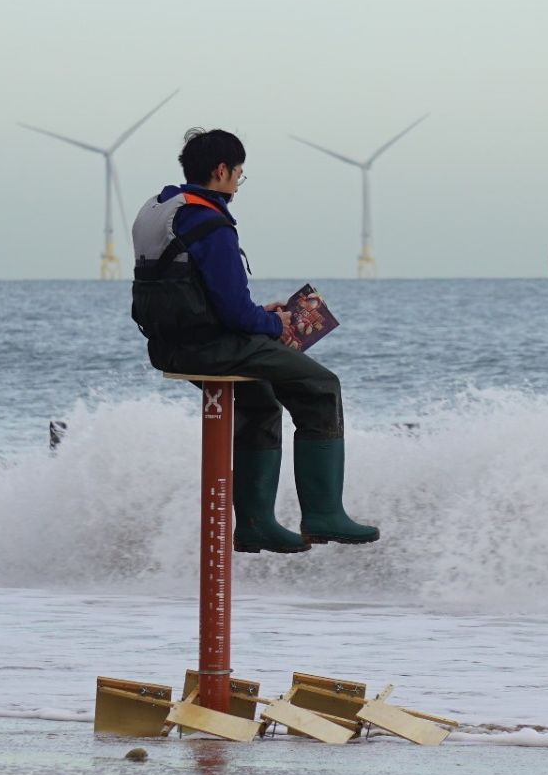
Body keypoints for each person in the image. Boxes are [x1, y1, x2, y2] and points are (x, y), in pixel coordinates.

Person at [130, 127, 379, 554]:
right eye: (238, 175)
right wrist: (275, 323)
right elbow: (232, 312)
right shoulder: (212, 223)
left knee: (260, 402)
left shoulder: (161, 209)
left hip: (170, 345)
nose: (237, 185)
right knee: (321, 387)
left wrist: (259, 315)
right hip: (211, 347)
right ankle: (323, 513)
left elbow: (196, 293)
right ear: (221, 170)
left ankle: (253, 523)